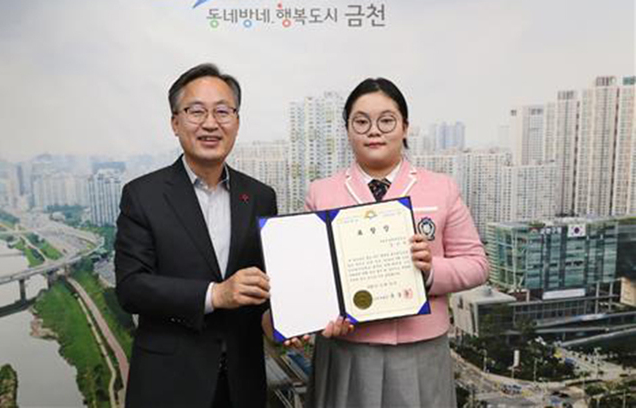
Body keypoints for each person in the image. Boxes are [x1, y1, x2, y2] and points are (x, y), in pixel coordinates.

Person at [303, 77, 489, 407]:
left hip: (421, 350)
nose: (374, 131)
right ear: (347, 130)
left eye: (386, 120)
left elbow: (477, 264)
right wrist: (317, 314)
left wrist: (430, 271)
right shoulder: (322, 192)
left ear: (405, 127)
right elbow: (311, 274)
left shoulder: (441, 188)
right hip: (346, 348)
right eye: (361, 122)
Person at [114, 63, 277, 408]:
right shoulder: (143, 195)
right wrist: (215, 294)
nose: (210, 123)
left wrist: (284, 322)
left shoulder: (260, 196)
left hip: (243, 384)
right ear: (175, 123)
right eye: (196, 111)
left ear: (236, 122)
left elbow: (264, 290)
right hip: (170, 384)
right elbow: (131, 287)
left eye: (223, 111)